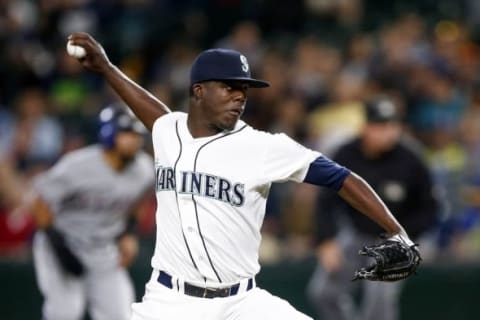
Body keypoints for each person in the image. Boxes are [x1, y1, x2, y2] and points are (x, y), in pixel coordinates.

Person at [67, 32, 417, 320]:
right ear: (198, 90)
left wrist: (396, 231)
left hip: (242, 303)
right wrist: (107, 68)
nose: (240, 96)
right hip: (169, 302)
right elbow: (150, 108)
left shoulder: (262, 146)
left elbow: (343, 178)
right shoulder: (167, 130)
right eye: (229, 86)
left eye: (244, 89)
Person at [306, 96, 437, 320]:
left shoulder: (410, 159)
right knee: (323, 293)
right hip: (357, 234)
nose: (388, 131)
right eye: (380, 125)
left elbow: (429, 208)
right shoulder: (346, 154)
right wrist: (326, 239)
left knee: (379, 297)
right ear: (366, 127)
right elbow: (326, 200)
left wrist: (407, 240)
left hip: (398, 239)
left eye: (392, 125)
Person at [30, 104, 154, 320]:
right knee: (65, 313)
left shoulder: (144, 170)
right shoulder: (77, 166)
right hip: (62, 242)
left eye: (136, 134)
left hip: (103, 249)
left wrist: (130, 234)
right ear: (108, 133)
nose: (134, 140)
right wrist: (60, 248)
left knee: (120, 315)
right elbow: (40, 202)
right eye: (126, 133)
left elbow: (139, 200)